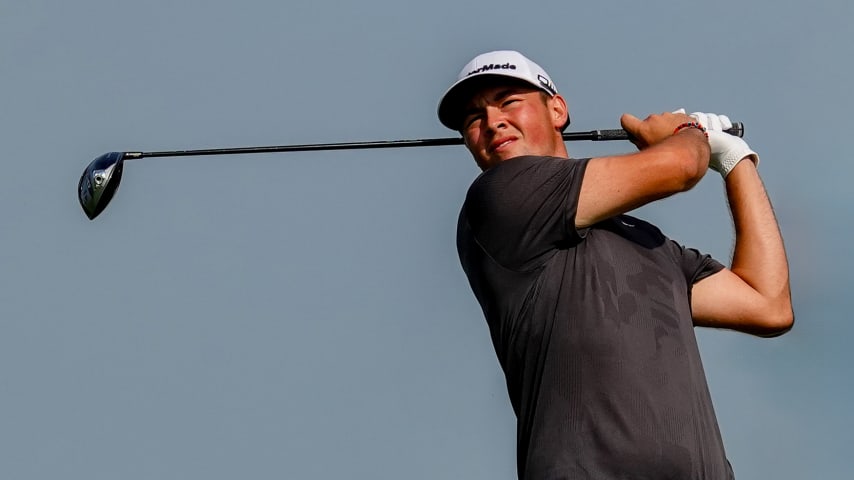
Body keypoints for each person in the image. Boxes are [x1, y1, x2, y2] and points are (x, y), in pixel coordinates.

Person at [437, 50, 793, 479]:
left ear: (557, 109)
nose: (492, 121)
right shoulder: (501, 196)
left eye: (508, 101)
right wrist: (686, 133)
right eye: (473, 118)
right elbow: (680, 167)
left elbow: (767, 303)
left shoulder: (645, 241)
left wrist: (736, 161)